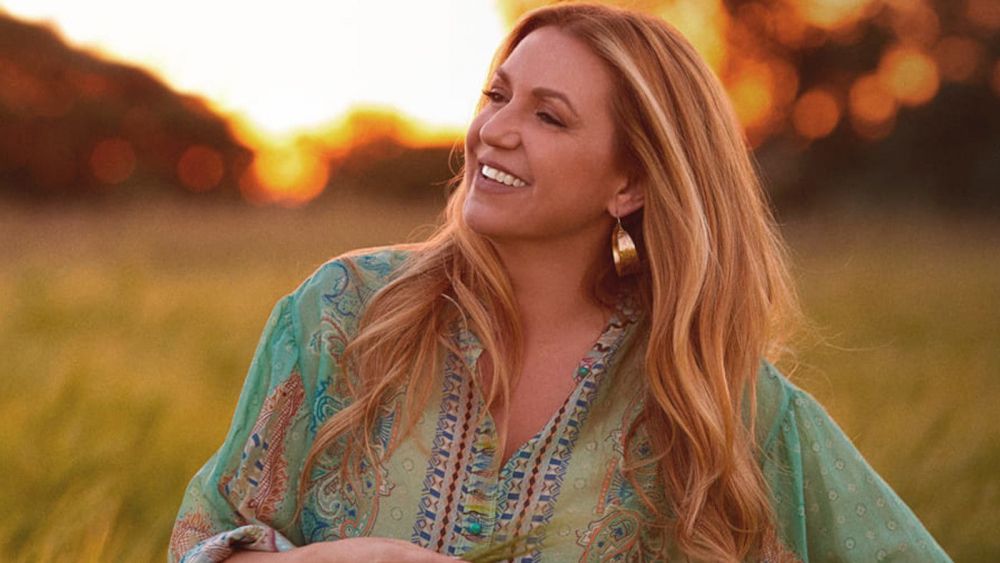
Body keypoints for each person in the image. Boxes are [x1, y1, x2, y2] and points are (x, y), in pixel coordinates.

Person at [169, 3, 951, 562]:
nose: (494, 131)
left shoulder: (716, 404)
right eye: (497, 95)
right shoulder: (344, 312)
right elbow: (203, 537)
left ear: (630, 183)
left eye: (550, 116)